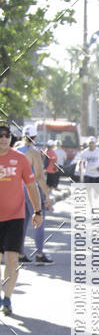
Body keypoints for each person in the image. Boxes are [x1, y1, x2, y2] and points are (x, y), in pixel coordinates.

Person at [0, 121, 43, 315]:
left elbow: (32, 185)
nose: (3, 138)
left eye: (7, 135)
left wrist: (38, 210)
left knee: (11, 258)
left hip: (15, 216)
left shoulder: (20, 159)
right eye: (0, 135)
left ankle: (7, 299)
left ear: (11, 138)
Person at [16, 126, 53, 265]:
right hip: (30, 190)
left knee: (23, 222)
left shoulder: (15, 150)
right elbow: (39, 176)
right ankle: (39, 254)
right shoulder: (34, 153)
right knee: (39, 220)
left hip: (17, 190)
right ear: (35, 137)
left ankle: (20, 253)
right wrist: (47, 195)